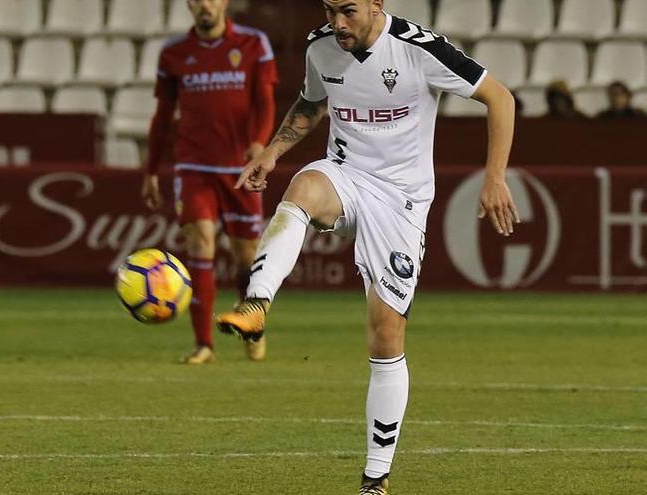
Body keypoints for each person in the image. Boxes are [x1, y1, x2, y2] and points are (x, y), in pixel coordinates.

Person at [215, 1, 519, 493]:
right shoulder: (322, 47)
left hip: (401, 201)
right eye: (330, 9)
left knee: (384, 337)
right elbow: (312, 103)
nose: (338, 23)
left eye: (349, 11)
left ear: (378, 3)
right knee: (303, 189)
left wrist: (495, 177)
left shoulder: (420, 49)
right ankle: (256, 302)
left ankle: (375, 480)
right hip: (346, 174)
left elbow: (500, 97)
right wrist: (272, 153)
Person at [142, 0, 277, 364]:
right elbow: (163, 114)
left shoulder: (254, 44)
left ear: (224, 3)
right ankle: (204, 344)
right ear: (189, 5)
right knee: (200, 243)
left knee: (245, 256)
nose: (205, 4)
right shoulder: (174, 52)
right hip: (193, 166)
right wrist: (152, 169)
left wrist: (260, 142)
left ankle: (251, 322)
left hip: (240, 169)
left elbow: (265, 101)